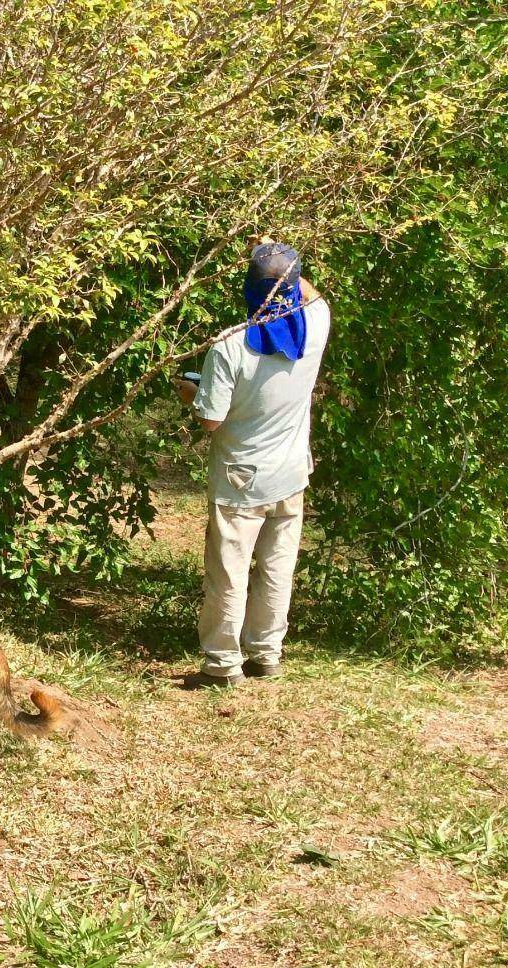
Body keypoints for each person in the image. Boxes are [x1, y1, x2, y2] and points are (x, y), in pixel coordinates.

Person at [175, 240, 331, 688]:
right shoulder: (314, 329)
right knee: (278, 567)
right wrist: (278, 256)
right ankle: (267, 654)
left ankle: (223, 665)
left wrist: (192, 393)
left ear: (249, 287)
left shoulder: (229, 346)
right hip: (290, 475)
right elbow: (312, 295)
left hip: (240, 480)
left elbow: (210, 420)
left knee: (229, 571)